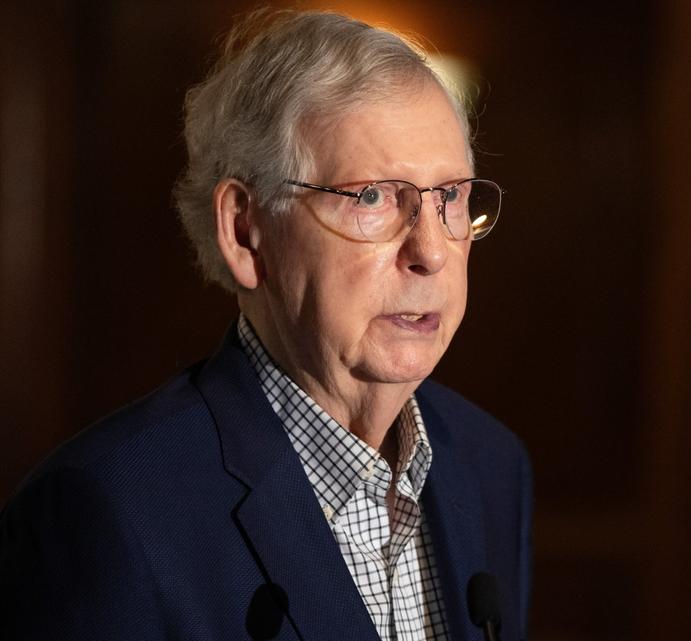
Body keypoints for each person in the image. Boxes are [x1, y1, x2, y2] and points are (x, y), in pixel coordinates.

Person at [0, 10, 531, 641]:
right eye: (372, 197)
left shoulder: (491, 466)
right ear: (246, 231)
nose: (431, 251)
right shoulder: (109, 512)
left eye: (450, 197)